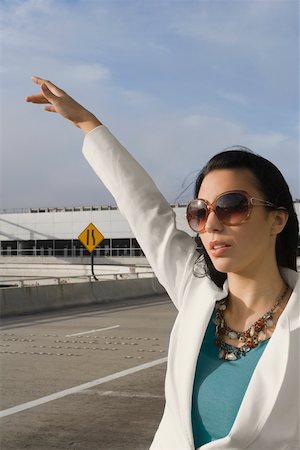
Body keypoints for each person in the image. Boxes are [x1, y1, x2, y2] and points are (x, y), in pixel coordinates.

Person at [26, 77, 300, 450]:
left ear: (277, 220)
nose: (213, 222)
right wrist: (89, 125)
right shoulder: (196, 293)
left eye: (233, 206)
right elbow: (145, 211)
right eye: (200, 212)